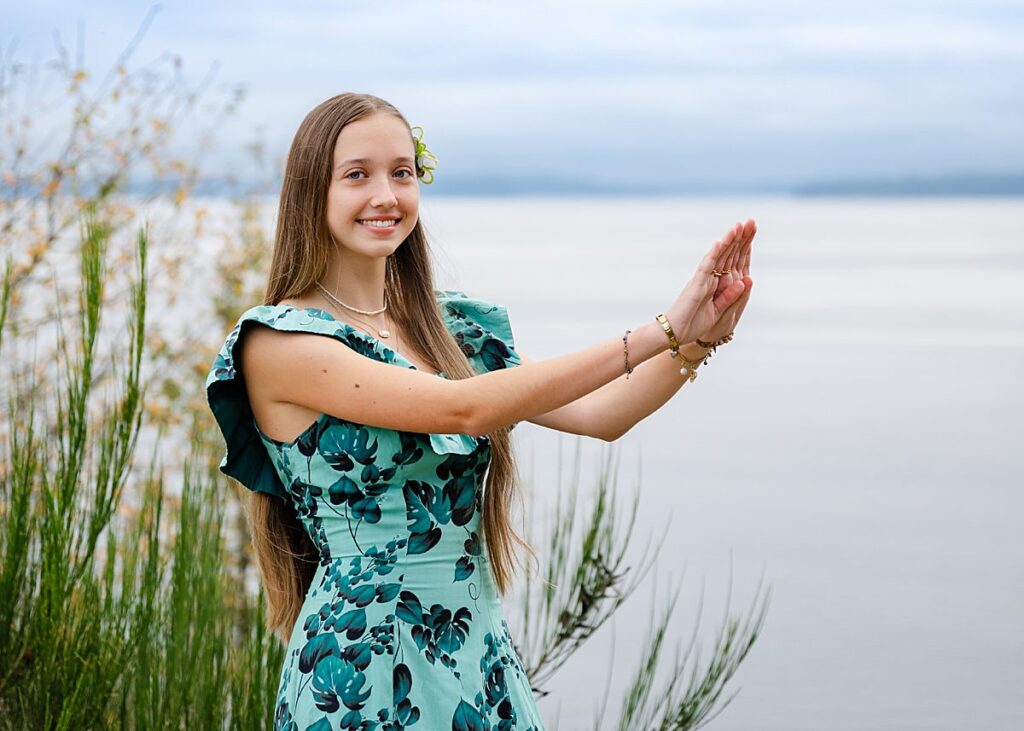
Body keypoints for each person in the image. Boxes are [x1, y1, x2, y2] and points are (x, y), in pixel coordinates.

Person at [205, 92, 755, 731]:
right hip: (362, 669)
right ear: (309, 192)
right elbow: (461, 410)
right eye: (357, 174)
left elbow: (604, 415)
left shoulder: (452, 330)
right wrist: (660, 328)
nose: (386, 195)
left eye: (402, 172)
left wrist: (698, 338)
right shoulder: (281, 343)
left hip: (477, 653)